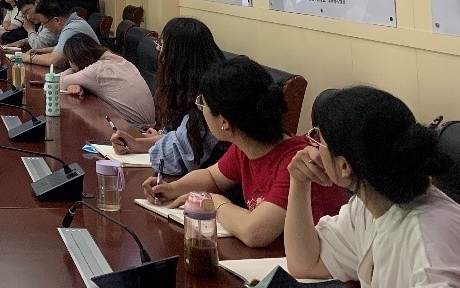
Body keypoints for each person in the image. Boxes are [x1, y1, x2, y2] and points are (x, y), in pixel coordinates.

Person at [144, 56, 347, 248]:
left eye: (202, 103)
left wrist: (214, 202)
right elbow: (212, 177)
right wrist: (171, 188)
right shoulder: (247, 146)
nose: (201, 109)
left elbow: (254, 233)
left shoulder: (296, 162)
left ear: (224, 122)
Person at [284, 86, 460, 286]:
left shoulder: (427, 252)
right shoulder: (370, 206)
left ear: (344, 167)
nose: (314, 148)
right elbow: (306, 264)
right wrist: (299, 182)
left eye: (319, 140)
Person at [110, 17, 228, 175]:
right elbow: (178, 137)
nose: (159, 53)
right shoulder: (186, 87)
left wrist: (153, 143)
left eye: (161, 46)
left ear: (177, 56)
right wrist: (137, 143)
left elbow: (175, 157)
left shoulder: (208, 96)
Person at [60, 33, 156, 125]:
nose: (70, 64)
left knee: (81, 118)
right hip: (150, 124)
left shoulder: (96, 71)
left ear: (75, 60)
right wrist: (77, 82)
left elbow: (56, 83)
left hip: (135, 127)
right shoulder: (118, 60)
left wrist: (71, 72)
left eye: (70, 61)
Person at [21, 0, 99, 68]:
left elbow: (53, 60)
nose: (45, 27)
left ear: (57, 20)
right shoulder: (73, 23)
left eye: (44, 23)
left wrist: (27, 57)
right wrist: (42, 51)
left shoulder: (72, 28)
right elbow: (63, 48)